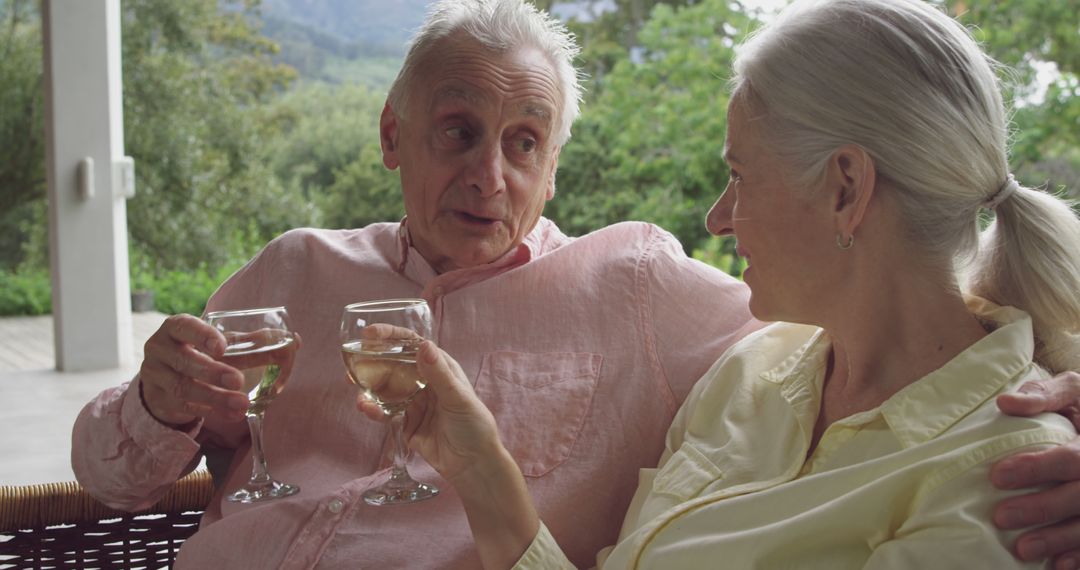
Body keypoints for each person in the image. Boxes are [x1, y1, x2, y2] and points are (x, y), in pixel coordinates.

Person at [70, 0, 1080, 568]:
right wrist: (155, 408)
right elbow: (108, 481)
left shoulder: (639, 289)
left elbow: (928, 321)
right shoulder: (295, 268)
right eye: (458, 133)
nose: (489, 177)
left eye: (525, 145)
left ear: (558, 167)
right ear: (390, 134)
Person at [387, 0, 1080, 568]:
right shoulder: (754, 367)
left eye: (742, 177)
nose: (718, 218)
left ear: (846, 188)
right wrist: (481, 470)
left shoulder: (1010, 481)